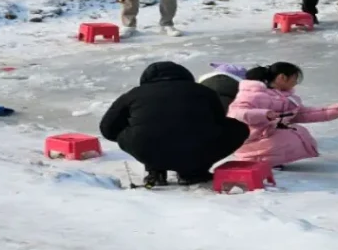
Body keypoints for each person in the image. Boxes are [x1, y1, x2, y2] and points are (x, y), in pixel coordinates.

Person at [99, 61, 250, 187]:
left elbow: (107, 128)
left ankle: (155, 169)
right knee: (239, 129)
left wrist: (131, 134)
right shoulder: (204, 91)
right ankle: (193, 172)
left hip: (147, 149)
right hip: (197, 149)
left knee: (143, 135)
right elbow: (218, 120)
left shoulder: (133, 94)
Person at [227, 62, 338, 169]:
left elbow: (303, 114)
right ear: (282, 77)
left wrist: (336, 110)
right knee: (284, 136)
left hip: (265, 135)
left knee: (298, 131)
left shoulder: (284, 97)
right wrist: (264, 114)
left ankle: (270, 161)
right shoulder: (253, 94)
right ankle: (256, 159)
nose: (296, 82)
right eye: (294, 78)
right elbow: (236, 113)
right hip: (251, 138)